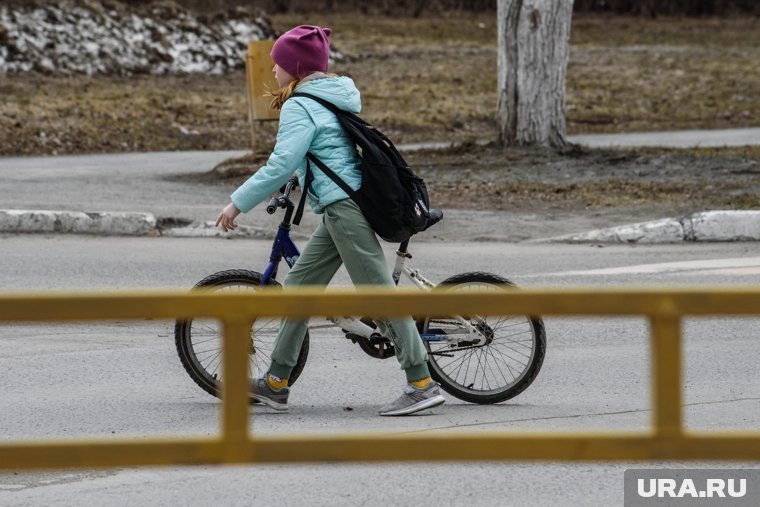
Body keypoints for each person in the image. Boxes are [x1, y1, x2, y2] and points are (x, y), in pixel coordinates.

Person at [215, 25, 444, 416]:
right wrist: (298, 177)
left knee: (376, 294)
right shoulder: (326, 98)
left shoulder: (299, 105)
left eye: (278, 63)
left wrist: (238, 203)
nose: (273, 70)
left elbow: (281, 161)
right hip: (343, 207)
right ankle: (276, 383)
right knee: (299, 290)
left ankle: (421, 382)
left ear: (296, 67)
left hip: (344, 210)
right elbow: (321, 152)